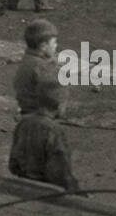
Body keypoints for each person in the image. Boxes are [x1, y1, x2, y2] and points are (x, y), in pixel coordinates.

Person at [9, 19, 77, 190]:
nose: (57, 46)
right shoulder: (42, 68)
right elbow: (62, 173)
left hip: (28, 119)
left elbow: (14, 165)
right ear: (43, 45)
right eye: (54, 43)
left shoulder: (29, 61)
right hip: (40, 118)